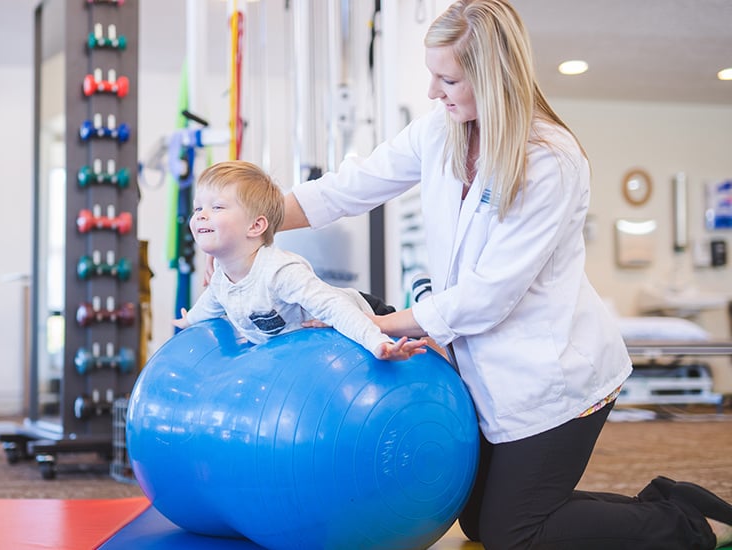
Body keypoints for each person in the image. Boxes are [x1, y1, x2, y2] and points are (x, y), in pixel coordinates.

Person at [278, 1, 732, 548]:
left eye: (448, 80)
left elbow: (488, 296)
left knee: (513, 535)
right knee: (475, 519)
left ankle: (686, 526)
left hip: (555, 376)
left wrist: (375, 324)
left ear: (493, 78)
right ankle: (670, 501)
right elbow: (347, 188)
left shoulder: (550, 159)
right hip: (490, 372)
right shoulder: (440, 131)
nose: (432, 92)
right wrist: (254, 222)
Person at [173, 160, 427, 362]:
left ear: (256, 226)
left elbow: (334, 308)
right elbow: (211, 302)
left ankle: (427, 297)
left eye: (217, 207)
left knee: (432, 342)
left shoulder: (279, 272)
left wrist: (378, 342)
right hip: (303, 351)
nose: (201, 215)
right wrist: (189, 320)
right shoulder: (221, 276)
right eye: (198, 209)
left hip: (361, 314)